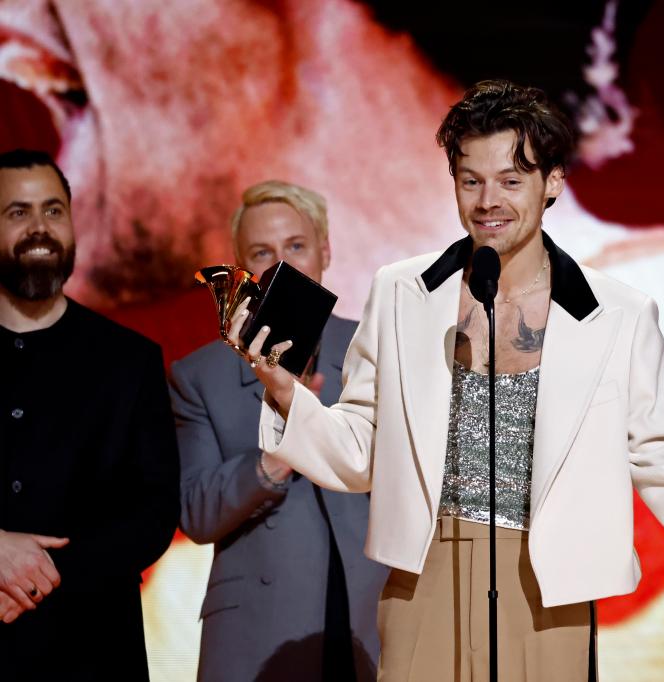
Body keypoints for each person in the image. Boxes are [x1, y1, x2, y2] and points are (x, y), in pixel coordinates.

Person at [230, 81, 664, 681]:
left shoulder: (619, 315)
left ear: (554, 182)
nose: (489, 201)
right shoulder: (401, 293)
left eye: (511, 180)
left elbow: (658, 451)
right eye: (471, 181)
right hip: (425, 576)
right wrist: (284, 391)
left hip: (548, 586)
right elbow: (361, 448)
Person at [171, 180, 389, 681]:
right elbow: (197, 512)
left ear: (325, 251)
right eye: (264, 252)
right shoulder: (200, 376)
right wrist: (281, 451)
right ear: (245, 269)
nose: (285, 265)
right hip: (261, 629)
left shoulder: (373, 349)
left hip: (369, 618)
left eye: (296, 246)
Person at [0, 148, 180, 680]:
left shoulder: (131, 360)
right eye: (18, 212)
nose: (40, 228)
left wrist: (41, 572)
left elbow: (153, 513)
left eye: (53, 211)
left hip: (92, 650)